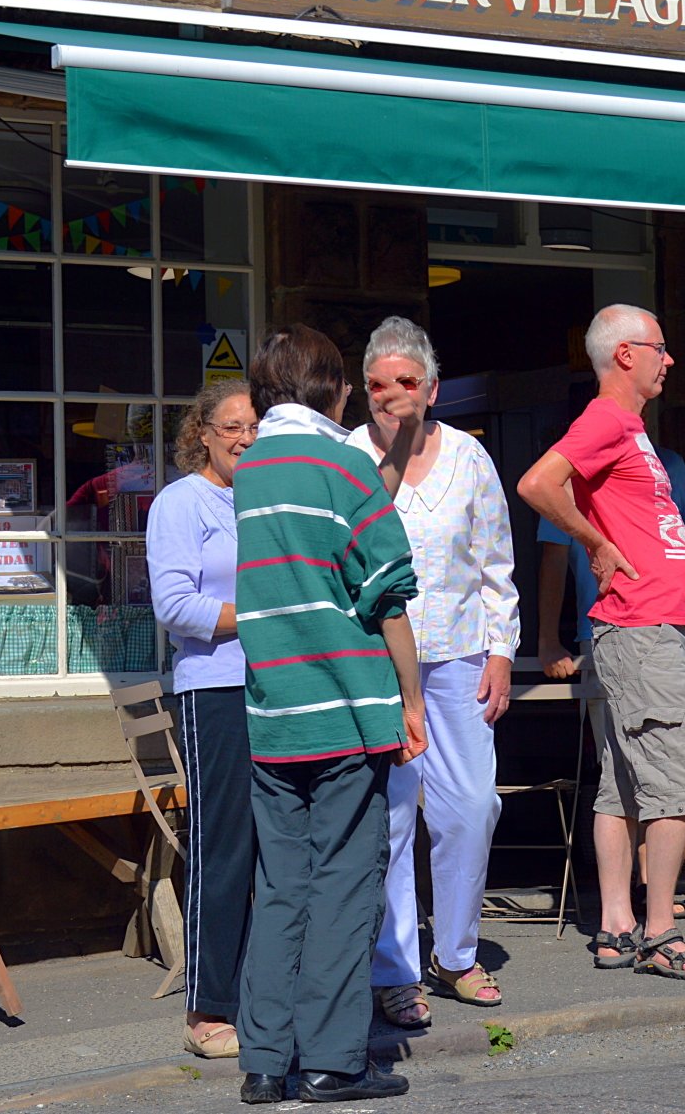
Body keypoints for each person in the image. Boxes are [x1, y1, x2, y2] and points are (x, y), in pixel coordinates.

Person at [232, 325, 426, 1105]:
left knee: (282, 884)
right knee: (346, 882)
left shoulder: (250, 470)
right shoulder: (344, 465)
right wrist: (413, 701)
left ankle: (265, 1059)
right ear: (334, 390)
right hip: (345, 708)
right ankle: (333, 1060)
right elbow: (387, 593)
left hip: (275, 710)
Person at [518, 305, 685, 982]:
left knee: (624, 784)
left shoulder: (631, 430)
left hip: (645, 623)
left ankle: (616, 924)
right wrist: (595, 540)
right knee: (672, 782)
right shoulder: (608, 419)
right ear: (627, 354)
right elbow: (537, 483)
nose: (670, 361)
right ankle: (662, 928)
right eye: (661, 349)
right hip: (641, 625)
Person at [347, 317, 519, 1026]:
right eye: (378, 384)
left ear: (433, 388)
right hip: (375, 662)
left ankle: (455, 953)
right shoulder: (348, 457)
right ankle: (394, 969)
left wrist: (503, 648)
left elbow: (496, 563)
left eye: (406, 382)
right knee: (388, 819)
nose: (392, 395)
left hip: (458, 658)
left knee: (471, 807)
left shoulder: (470, 457)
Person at [538, 449, 685, 919]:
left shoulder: (670, 463)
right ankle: (682, 861)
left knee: (678, 755)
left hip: (671, 627)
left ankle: (654, 885)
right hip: (609, 628)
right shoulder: (571, 466)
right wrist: (547, 638)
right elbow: (554, 557)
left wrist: (676, 591)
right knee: (622, 764)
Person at [146, 379, 258, 1060]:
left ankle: (265, 991)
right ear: (204, 434)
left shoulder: (266, 500)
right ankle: (208, 1007)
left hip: (278, 684)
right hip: (214, 687)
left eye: (254, 427)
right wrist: (257, 617)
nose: (246, 437)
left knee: (276, 843)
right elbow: (175, 606)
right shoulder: (180, 502)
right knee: (223, 845)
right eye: (233, 426)